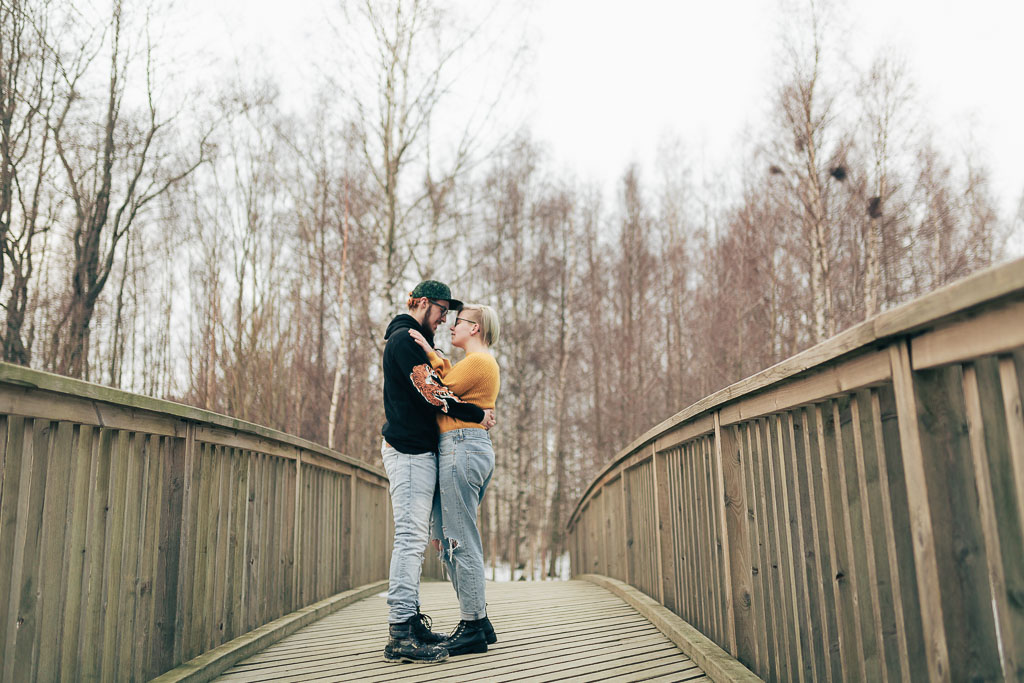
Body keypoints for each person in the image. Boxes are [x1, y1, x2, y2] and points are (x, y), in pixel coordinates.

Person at [380, 281, 496, 664]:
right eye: (442, 310)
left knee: (423, 538)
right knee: (411, 539)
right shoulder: (402, 340)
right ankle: (401, 632)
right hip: (409, 450)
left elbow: (437, 388)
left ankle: (411, 624)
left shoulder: (413, 342)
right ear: (424, 303)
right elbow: (434, 392)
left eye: (452, 314)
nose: (445, 318)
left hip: (424, 450)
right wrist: (478, 414)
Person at [408, 303, 501, 656]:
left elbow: (437, 387)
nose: (451, 326)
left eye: (458, 322)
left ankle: (473, 624)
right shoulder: (476, 363)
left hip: (462, 446)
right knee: (448, 542)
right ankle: (480, 621)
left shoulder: (479, 362)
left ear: (474, 328)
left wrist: (429, 353)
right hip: (463, 445)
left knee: (460, 540)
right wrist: (435, 355)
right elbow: (449, 385)